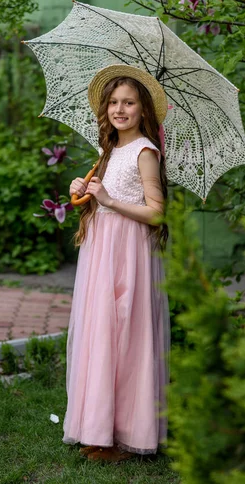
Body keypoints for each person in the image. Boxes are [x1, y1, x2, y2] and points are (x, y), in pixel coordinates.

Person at [63, 64, 170, 463]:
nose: (120, 109)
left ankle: (125, 430)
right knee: (101, 333)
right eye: (113, 102)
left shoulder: (144, 151)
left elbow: (156, 213)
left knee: (126, 332)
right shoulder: (110, 150)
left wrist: (108, 200)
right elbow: (101, 200)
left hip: (127, 253)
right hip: (101, 251)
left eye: (129, 103)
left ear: (143, 110)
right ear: (105, 108)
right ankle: (98, 426)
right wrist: (84, 193)